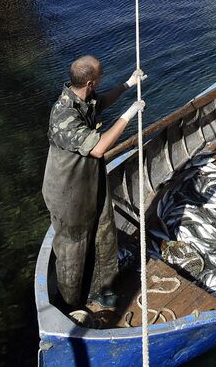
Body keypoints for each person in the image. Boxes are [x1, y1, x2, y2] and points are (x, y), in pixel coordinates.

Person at [41, 55, 145, 315]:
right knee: (73, 247)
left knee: (105, 235)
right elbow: (98, 148)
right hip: (67, 194)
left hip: (91, 183)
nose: (101, 81)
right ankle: (71, 304)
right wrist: (129, 115)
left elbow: (102, 102)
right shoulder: (63, 115)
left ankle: (103, 290)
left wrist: (128, 85)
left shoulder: (83, 98)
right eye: (99, 77)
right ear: (89, 82)